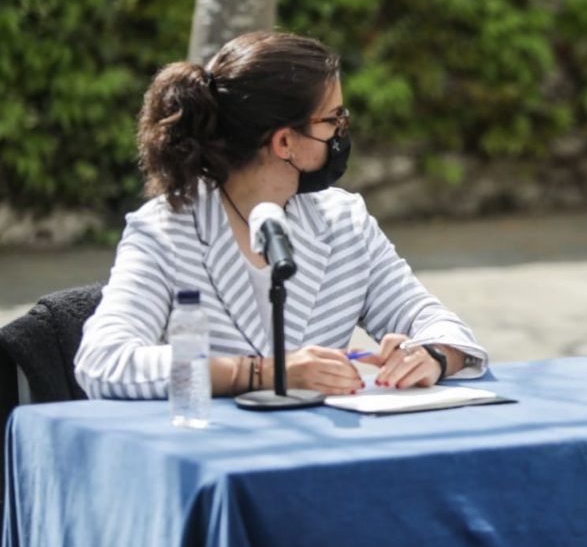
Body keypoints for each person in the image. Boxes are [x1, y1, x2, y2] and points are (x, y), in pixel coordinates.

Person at [75, 32, 487, 399]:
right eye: (334, 119)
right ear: (286, 141)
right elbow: (104, 362)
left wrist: (431, 355)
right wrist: (258, 374)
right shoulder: (167, 229)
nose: (343, 132)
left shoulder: (345, 221)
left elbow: (434, 322)